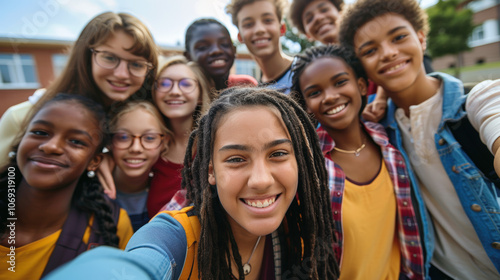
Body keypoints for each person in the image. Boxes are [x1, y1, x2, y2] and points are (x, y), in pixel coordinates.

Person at [45, 87, 339, 280]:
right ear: (210, 172)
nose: (261, 180)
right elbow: (140, 263)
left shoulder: (298, 234)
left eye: (277, 154)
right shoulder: (175, 237)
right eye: (236, 159)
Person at [339, 0, 500, 278]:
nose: (388, 53)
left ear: (421, 39)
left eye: (399, 37)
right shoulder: (377, 133)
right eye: (370, 50)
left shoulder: (478, 101)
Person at [291, 44, 425, 279]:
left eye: (340, 82)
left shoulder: (390, 142)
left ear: (361, 86)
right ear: (306, 107)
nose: (330, 96)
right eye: (314, 92)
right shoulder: (307, 167)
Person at [0, 12, 159, 188]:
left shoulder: (148, 124)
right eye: (109, 57)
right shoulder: (21, 117)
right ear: (85, 57)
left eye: (136, 64)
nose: (122, 74)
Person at [0, 94, 133, 280]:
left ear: (94, 162)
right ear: (21, 140)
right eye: (40, 132)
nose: (51, 146)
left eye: (76, 142)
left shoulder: (112, 224)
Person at [147, 55, 212, 217]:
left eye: (186, 84)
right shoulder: (147, 147)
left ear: (199, 96)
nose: (175, 91)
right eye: (164, 84)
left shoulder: (213, 145)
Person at [108, 101, 169, 231]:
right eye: (123, 137)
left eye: (149, 138)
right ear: (110, 141)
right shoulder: (89, 188)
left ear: (164, 143)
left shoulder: (167, 196)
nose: (136, 148)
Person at [226, 0, 294, 94]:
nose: (259, 30)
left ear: (282, 28)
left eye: (268, 20)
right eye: (248, 24)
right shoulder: (258, 94)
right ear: (240, 37)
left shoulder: (307, 71)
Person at [184, 18, 258, 93]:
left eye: (224, 44)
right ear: (188, 56)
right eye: (203, 47)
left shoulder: (246, 86)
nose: (216, 50)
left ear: (234, 50)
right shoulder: (183, 92)